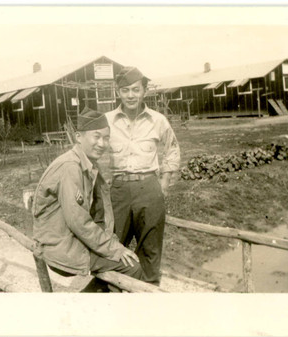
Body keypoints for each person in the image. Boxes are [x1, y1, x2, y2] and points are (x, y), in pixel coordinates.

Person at [32, 107, 142, 292]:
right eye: (96, 136)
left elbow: (99, 213)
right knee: (132, 267)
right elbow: (79, 222)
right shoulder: (70, 167)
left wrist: (113, 244)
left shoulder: (89, 166)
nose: (102, 143)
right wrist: (115, 249)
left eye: (106, 138)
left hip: (68, 239)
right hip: (59, 245)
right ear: (78, 137)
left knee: (123, 259)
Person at [105, 66, 181, 285]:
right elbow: (93, 150)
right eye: (125, 90)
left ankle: (148, 291)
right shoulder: (107, 121)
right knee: (112, 244)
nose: (131, 95)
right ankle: (114, 289)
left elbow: (173, 149)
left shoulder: (158, 120)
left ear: (144, 91)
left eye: (136, 90)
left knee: (150, 248)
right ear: (118, 92)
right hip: (118, 190)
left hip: (149, 188)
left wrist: (164, 183)